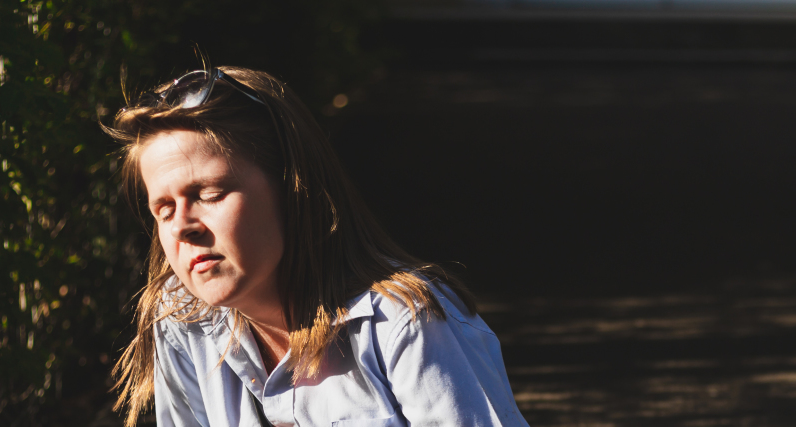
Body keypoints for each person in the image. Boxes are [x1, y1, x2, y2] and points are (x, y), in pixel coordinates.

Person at [106, 66, 530, 427]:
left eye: (211, 193)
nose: (182, 226)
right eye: (162, 208)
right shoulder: (182, 319)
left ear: (293, 188)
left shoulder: (405, 325)